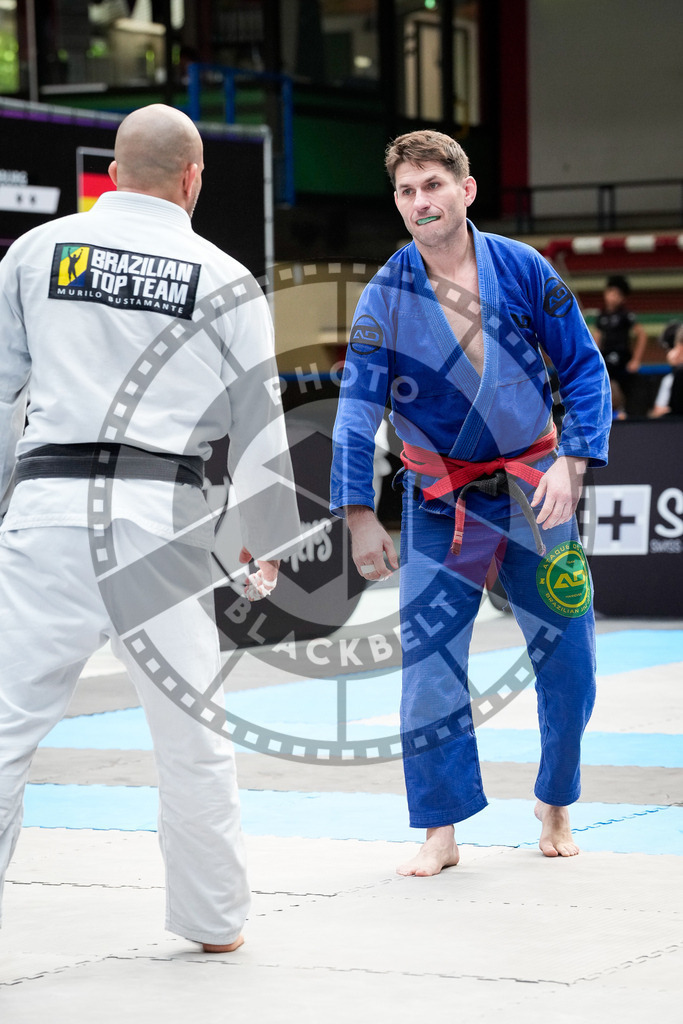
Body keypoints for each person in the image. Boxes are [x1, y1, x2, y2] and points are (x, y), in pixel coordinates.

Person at [0, 105, 299, 949]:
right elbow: (257, 419)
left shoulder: (37, 252)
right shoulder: (224, 276)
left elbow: (3, 390)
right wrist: (263, 534)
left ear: (112, 173)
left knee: (5, 723)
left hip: (48, 507)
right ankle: (213, 920)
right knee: (190, 731)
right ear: (192, 178)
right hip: (160, 517)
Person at [330, 130, 611, 875]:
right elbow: (357, 409)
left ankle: (556, 798)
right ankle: (441, 827)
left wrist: (572, 461)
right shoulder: (385, 295)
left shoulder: (522, 269)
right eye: (406, 190)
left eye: (432, 185)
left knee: (571, 655)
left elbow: (584, 369)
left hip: (534, 492)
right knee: (428, 666)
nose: (419, 201)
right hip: (438, 500)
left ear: (466, 189)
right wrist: (358, 511)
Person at [594, 274, 648, 418]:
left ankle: (624, 411)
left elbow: (642, 335)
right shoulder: (602, 316)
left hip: (622, 357)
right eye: (610, 292)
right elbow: (597, 337)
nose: (612, 297)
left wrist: (636, 360)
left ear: (623, 298)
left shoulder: (625, 315)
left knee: (625, 383)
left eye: (617, 294)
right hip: (606, 355)